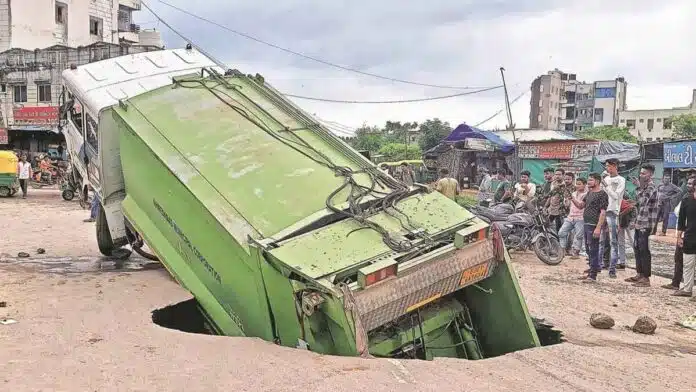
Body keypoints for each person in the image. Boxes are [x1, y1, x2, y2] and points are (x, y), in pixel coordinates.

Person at [625, 164, 659, 287]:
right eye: (641, 173)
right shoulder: (644, 187)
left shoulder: (651, 187)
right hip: (640, 222)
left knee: (644, 250)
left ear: (650, 175)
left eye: (644, 173)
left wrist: (638, 187)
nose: (641, 175)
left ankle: (646, 278)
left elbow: (643, 201)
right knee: (637, 248)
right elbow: (639, 204)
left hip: (647, 223)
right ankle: (639, 273)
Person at [663, 176, 696, 290]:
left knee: (686, 262)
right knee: (680, 260)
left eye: (691, 184)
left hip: (689, 234)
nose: (688, 186)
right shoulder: (686, 198)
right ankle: (677, 283)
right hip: (684, 234)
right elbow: (680, 217)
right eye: (688, 183)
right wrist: (679, 236)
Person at [580, 172, 609, 281]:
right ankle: (593, 269)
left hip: (593, 224)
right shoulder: (589, 193)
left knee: (593, 249)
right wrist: (571, 198)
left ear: (597, 181)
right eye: (588, 180)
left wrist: (598, 227)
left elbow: (603, 212)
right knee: (588, 249)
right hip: (586, 223)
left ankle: (593, 275)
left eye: (591, 180)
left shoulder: (602, 194)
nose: (588, 182)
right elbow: (580, 206)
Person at [600, 158, 626, 274]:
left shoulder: (621, 180)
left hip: (613, 212)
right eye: (606, 166)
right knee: (601, 240)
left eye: (609, 166)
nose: (607, 168)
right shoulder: (605, 179)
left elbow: (616, 196)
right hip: (603, 211)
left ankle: (612, 269)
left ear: (615, 166)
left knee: (613, 241)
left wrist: (606, 185)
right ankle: (599, 265)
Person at [558, 176, 587, 258]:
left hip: (580, 218)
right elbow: (568, 205)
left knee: (578, 236)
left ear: (584, 185)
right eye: (577, 184)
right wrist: (566, 200)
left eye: (579, 184)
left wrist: (572, 199)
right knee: (561, 232)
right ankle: (562, 250)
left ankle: (576, 253)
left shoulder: (586, 195)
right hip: (570, 217)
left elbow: (580, 206)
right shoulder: (574, 193)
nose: (577, 186)